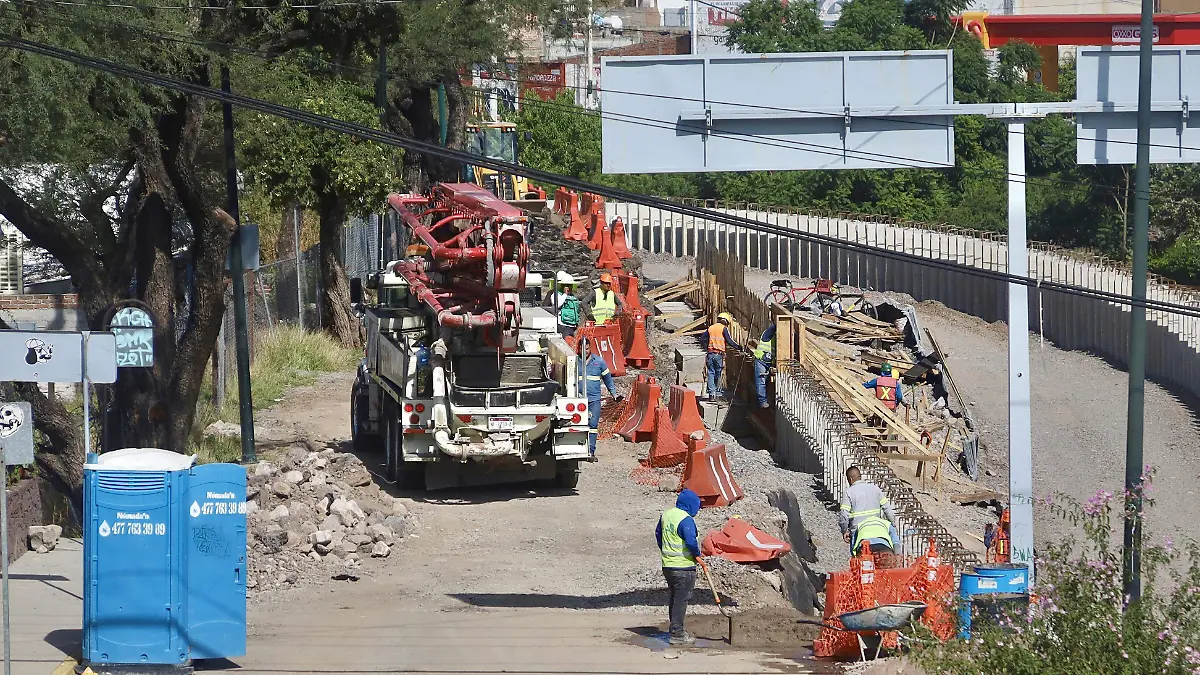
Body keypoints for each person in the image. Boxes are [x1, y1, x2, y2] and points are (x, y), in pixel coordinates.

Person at [655, 488, 702, 645]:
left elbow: (658, 534)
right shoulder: (685, 519)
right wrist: (697, 555)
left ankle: (675, 630)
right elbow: (690, 541)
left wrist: (665, 550)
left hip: (668, 565)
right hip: (684, 567)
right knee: (681, 600)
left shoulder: (666, 515)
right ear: (691, 506)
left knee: (675, 598)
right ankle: (677, 634)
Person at [838, 465, 898, 556]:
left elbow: (844, 515)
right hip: (878, 527)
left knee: (857, 559)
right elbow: (887, 508)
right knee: (894, 539)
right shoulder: (875, 489)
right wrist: (892, 524)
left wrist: (844, 530)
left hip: (859, 531)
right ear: (860, 476)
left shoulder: (849, 492)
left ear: (850, 479)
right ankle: (898, 557)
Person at [582, 338, 621, 458]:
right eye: (583, 349)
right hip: (578, 399)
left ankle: (590, 451)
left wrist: (614, 394)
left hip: (594, 400)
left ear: (590, 348)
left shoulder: (599, 362)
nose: (585, 351)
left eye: (587, 349)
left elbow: (608, 379)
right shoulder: (575, 360)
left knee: (592, 424)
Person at [701, 312, 741, 401]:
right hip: (718, 355)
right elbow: (729, 341)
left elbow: (703, 339)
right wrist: (739, 347)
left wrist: (706, 348)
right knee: (718, 374)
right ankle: (717, 394)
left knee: (711, 373)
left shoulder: (711, 328)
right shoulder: (724, 329)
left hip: (710, 354)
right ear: (726, 321)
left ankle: (711, 394)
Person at [543, 271, 582, 337]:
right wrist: (565, 294)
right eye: (567, 285)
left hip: (572, 325)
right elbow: (557, 304)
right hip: (563, 325)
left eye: (570, 285)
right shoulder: (555, 294)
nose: (569, 287)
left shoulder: (572, 296)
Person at [749, 324, 775, 409]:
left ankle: (765, 401)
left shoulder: (781, 335)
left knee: (765, 382)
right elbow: (773, 327)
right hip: (761, 360)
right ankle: (762, 402)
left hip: (770, 362)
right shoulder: (768, 332)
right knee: (761, 381)